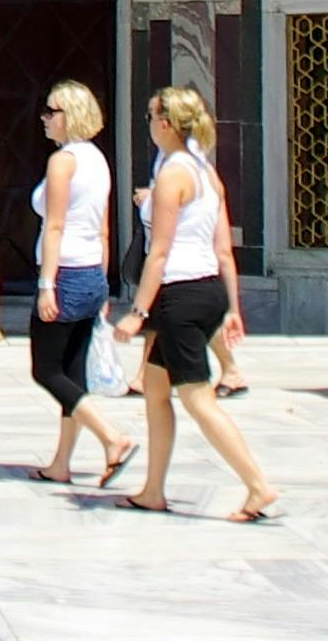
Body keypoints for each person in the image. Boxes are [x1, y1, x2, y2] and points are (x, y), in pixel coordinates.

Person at [113, 87, 278, 522]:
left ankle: (258, 486)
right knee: (154, 388)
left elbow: (160, 251)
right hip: (206, 289)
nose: (147, 123)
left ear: (165, 123)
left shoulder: (173, 176)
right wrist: (233, 306)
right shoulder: (206, 173)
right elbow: (224, 249)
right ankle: (152, 489)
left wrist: (137, 313)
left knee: (197, 398)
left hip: (180, 293)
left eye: (150, 116)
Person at [24, 80, 126, 488]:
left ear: (71, 115)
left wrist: (47, 284)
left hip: (65, 272)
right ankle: (61, 462)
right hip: (90, 273)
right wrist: (103, 279)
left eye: (52, 112)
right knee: (73, 372)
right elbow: (103, 228)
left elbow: (56, 225)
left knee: (46, 370)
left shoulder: (64, 162)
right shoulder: (98, 160)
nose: (45, 119)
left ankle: (111, 437)